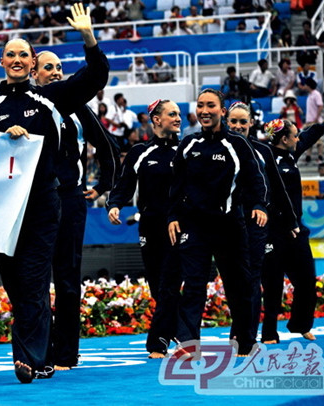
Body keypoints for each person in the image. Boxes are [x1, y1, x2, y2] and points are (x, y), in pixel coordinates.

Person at [0, 3, 108, 383]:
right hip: (2, 209)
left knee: (33, 280)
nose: (17, 60)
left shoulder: (53, 98)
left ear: (32, 63)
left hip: (44, 204)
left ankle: (27, 359)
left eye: (23, 55)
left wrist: (88, 37)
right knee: (16, 285)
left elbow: (96, 76)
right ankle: (43, 355)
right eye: (10, 54)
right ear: (2, 61)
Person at [32, 49, 118, 371]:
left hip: (70, 199)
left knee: (67, 278)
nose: (55, 71)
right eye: (48, 67)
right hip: (33, 201)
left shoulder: (79, 108)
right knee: (35, 279)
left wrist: (103, 184)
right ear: (34, 73)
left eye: (59, 67)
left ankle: (66, 354)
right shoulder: (26, 106)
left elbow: (108, 146)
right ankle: (38, 352)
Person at [167, 89, 268, 357]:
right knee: (193, 284)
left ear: (222, 111)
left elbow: (255, 179)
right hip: (195, 226)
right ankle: (188, 343)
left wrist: (259, 205)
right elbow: (176, 185)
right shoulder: (188, 144)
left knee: (239, 286)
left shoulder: (238, 144)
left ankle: (244, 340)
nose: (204, 110)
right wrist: (173, 216)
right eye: (200, 105)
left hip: (229, 225)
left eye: (210, 105)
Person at [226, 101, 298, 343]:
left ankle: (245, 335)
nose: (238, 126)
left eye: (242, 122)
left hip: (256, 221)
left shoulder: (263, 151)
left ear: (251, 123)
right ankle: (239, 330)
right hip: (225, 223)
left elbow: (277, 188)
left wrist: (291, 221)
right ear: (226, 122)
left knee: (252, 278)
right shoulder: (217, 147)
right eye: (233, 121)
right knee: (234, 280)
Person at [261, 113, 324, 343]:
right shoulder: (265, 158)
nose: (298, 138)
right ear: (284, 139)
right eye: (295, 135)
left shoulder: (291, 153)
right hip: (273, 231)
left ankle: (300, 324)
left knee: (307, 281)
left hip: (296, 230)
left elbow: (308, 138)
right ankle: (269, 332)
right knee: (273, 284)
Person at [108, 99, 180, 307]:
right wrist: (114, 205)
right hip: (150, 225)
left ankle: (179, 325)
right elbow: (125, 183)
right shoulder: (139, 152)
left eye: (178, 114)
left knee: (173, 281)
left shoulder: (187, 149)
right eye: (172, 114)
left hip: (179, 225)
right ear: (156, 119)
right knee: (155, 281)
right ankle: (168, 323)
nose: (178, 118)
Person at [303, 78, 324, 164]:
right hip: (309, 121)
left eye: (305, 85)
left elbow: (320, 106)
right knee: (309, 140)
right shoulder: (309, 95)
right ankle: (308, 156)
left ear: (309, 85)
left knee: (318, 140)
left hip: (315, 121)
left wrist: (316, 119)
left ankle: (320, 156)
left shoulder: (316, 94)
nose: (304, 86)